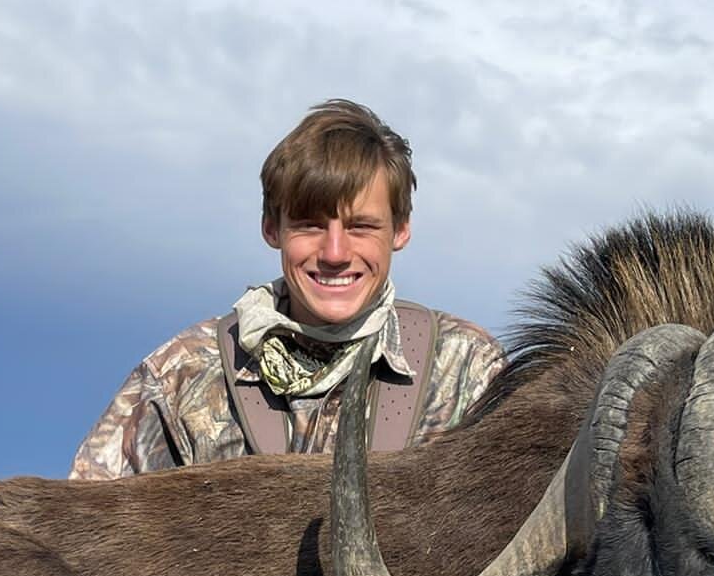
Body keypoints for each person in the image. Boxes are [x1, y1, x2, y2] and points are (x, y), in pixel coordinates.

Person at [69, 100, 506, 480]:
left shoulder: (469, 369)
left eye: (361, 227)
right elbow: (82, 534)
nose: (335, 252)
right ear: (271, 229)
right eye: (310, 225)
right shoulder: (182, 376)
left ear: (401, 230)